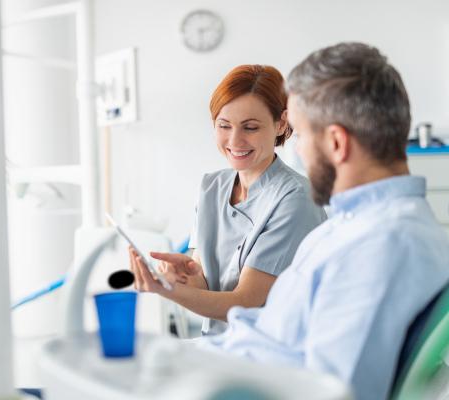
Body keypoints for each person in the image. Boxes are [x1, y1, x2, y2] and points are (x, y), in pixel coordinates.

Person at [191, 43, 449, 400]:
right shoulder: (351, 225)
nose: (297, 149)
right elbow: (269, 331)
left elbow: (333, 391)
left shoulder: (383, 245)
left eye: (301, 134)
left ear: (336, 143)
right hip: (227, 365)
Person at [129, 65, 327, 336]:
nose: (235, 140)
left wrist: (169, 291)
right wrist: (183, 277)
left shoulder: (295, 198)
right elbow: (205, 285)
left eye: (251, 127)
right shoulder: (212, 186)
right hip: (219, 347)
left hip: (269, 356)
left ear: (281, 123)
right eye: (224, 126)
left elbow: (244, 303)